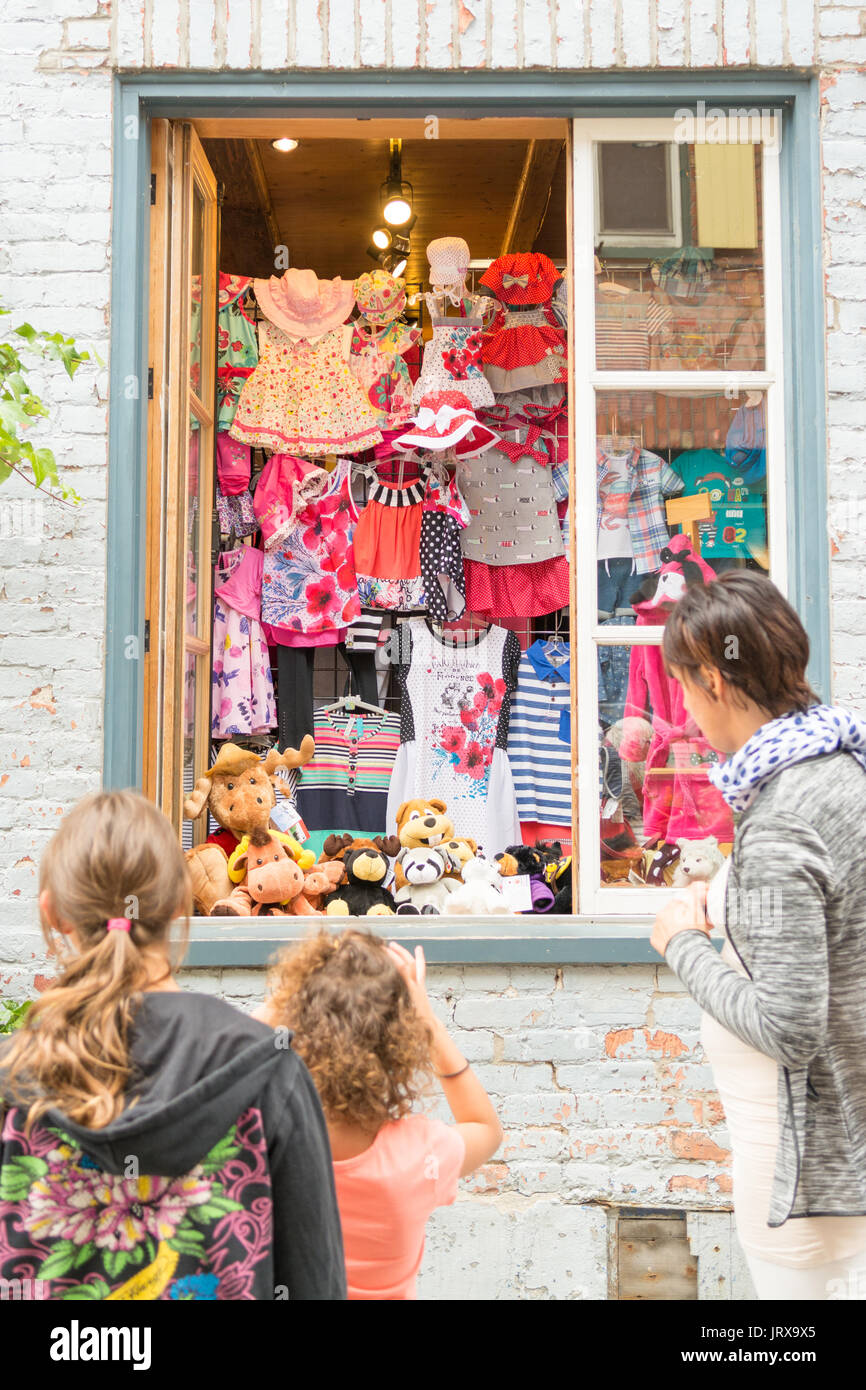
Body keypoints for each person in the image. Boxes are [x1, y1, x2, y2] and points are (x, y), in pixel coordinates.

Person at [0, 790, 346, 1301]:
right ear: (183, 902)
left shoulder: (12, 1077)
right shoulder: (268, 1070)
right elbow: (315, 1284)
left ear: (52, 912)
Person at [649, 570, 866, 1300]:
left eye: (684, 686)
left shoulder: (781, 817)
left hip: (807, 1169)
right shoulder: (841, 766)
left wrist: (683, 943)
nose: (684, 708)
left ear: (713, 679)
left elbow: (788, 1027)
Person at [256, 929, 503, 1300]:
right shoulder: (419, 1153)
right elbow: (486, 1129)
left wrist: (285, 1001)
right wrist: (429, 1023)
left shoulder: (264, 1144)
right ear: (399, 1045)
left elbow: (209, 1072)